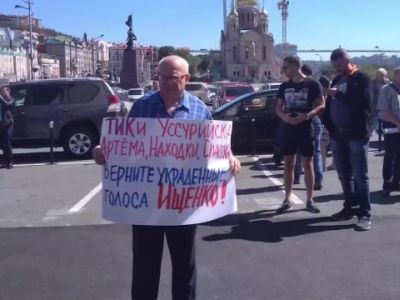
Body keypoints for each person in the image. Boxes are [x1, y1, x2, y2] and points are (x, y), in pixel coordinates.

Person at [93, 55, 241, 300]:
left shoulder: (199, 109)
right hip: (146, 202)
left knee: (185, 267)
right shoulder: (142, 107)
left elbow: (214, 146)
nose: (165, 82)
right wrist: (101, 151)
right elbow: (125, 146)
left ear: (186, 79)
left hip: (183, 204)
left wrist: (231, 158)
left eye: (172, 78)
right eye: (161, 77)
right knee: (144, 267)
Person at [323, 48, 372, 231]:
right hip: (338, 134)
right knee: (344, 175)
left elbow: (363, 102)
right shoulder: (336, 79)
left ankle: (365, 214)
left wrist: (338, 94)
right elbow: (329, 104)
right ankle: (349, 207)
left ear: (347, 61)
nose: (336, 69)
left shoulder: (360, 78)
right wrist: (329, 125)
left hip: (356, 135)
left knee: (360, 176)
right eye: (334, 66)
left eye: (339, 65)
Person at [275, 56, 325, 214]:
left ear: (295, 66)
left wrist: (307, 116)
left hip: (306, 127)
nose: (283, 70)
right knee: (288, 163)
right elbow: (278, 107)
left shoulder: (312, 83)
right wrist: (285, 117)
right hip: (288, 128)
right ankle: (287, 198)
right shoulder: (284, 86)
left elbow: (322, 104)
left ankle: (310, 199)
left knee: (307, 163)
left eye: (285, 67)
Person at [294, 65, 324, 190]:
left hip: (307, 119)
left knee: (299, 150)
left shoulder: (306, 85)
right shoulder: (316, 85)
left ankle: (297, 177)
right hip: (315, 120)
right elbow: (322, 104)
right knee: (315, 151)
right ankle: (318, 180)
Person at [377, 67, 400, 197]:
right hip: (392, 128)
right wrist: (398, 123)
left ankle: (397, 182)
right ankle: (388, 183)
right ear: (396, 75)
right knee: (390, 156)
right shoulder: (386, 90)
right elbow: (384, 110)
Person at [319, 76, 336, 172]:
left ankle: (323, 165)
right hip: (333, 123)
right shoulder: (332, 94)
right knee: (333, 144)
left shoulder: (322, 95)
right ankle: (334, 163)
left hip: (325, 122)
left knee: (323, 145)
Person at [371, 68, 390, 133]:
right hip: (374, 104)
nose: (381, 77)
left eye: (383, 75)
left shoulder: (387, 81)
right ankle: (369, 135)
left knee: (386, 120)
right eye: (379, 75)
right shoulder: (372, 82)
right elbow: (370, 95)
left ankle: (383, 134)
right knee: (374, 121)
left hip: (385, 104)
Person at [0, 83, 14, 169]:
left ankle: (10, 162)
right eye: (1, 91)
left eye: (4, 91)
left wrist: (2, 99)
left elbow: (8, 106)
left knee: (6, 143)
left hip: (7, 123)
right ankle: (5, 161)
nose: (2, 93)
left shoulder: (11, 99)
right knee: (2, 144)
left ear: (7, 92)